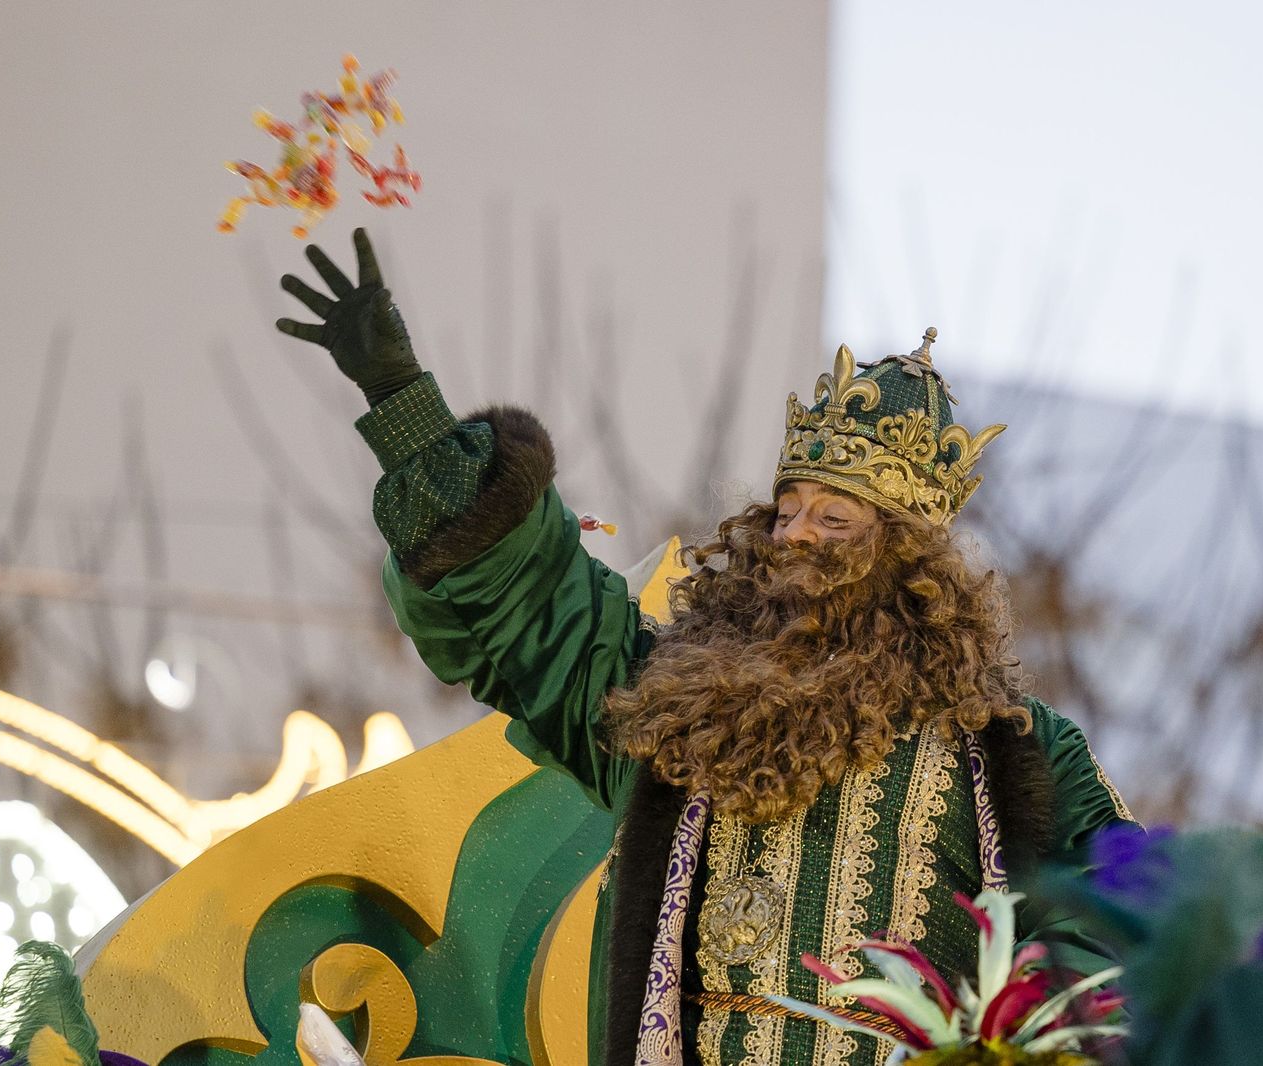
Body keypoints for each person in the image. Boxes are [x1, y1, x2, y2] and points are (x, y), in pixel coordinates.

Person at [277, 229, 1138, 1066]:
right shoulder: (671, 705)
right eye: (787, 511)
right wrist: (401, 398)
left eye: (834, 520)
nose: (796, 536)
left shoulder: (1010, 754)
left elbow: (1112, 958)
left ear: (911, 567)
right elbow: (528, 607)